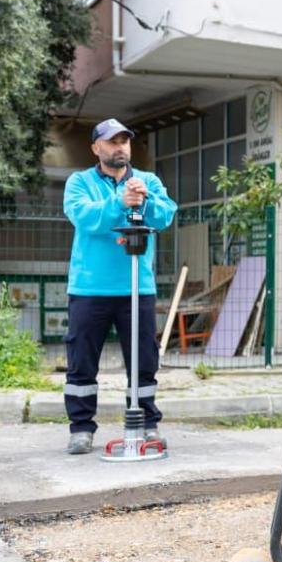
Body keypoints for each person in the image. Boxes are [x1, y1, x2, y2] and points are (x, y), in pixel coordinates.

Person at [61, 118, 177, 455]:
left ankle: (147, 423)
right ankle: (81, 428)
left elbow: (166, 215)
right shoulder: (79, 182)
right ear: (96, 148)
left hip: (136, 287)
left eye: (124, 141)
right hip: (89, 288)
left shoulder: (148, 181)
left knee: (143, 360)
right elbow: (84, 218)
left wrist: (145, 202)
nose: (120, 147)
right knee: (82, 360)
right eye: (112, 142)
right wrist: (119, 203)